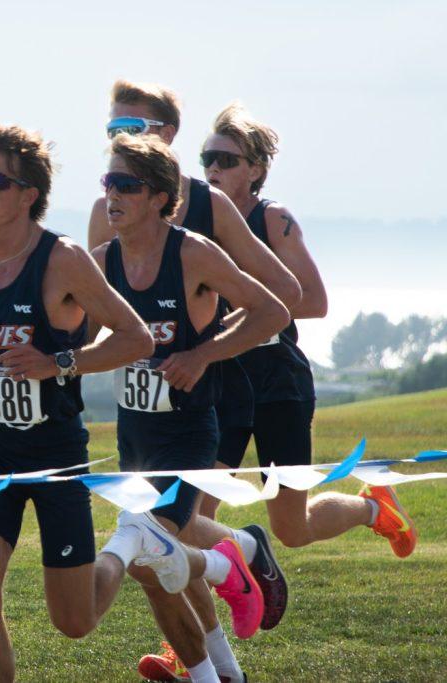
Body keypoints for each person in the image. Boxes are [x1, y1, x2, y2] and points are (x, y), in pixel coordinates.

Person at [0, 124, 259, 683]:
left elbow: (136, 338)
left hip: (55, 455)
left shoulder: (65, 260)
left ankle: (146, 558)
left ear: (28, 194)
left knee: (74, 620)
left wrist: (59, 363)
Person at [86, 80, 301, 681]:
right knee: (155, 564)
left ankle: (232, 567)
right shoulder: (102, 250)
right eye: (109, 174)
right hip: (137, 431)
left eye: (125, 182)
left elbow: (277, 304)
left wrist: (204, 351)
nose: (112, 192)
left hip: (198, 417)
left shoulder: (201, 234)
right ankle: (224, 664)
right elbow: (80, 332)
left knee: (141, 546)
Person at [195, 102, 418, 587]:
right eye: (206, 158)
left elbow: (315, 300)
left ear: (254, 170)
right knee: (195, 515)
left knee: (292, 529)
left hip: (277, 380)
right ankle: (197, 647)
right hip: (223, 381)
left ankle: (370, 505)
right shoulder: (196, 225)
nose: (212, 169)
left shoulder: (273, 219)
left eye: (226, 160)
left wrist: (250, 313)